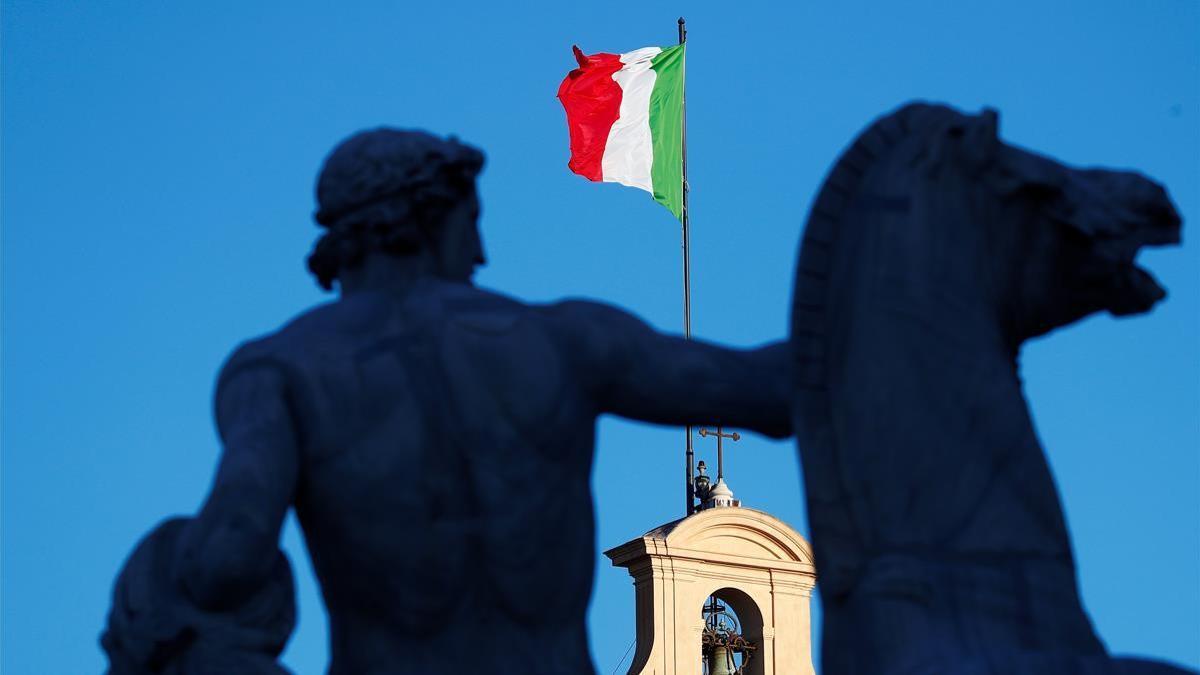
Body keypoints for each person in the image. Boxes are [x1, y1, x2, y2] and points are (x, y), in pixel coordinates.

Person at [103, 128, 791, 674]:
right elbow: (769, 387)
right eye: (471, 223)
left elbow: (225, 558)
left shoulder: (282, 370)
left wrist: (157, 582)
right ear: (424, 221)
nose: (483, 251)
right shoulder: (565, 340)